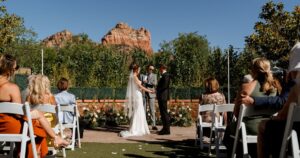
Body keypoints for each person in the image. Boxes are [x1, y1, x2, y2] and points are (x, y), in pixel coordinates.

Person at [0, 54, 68, 157]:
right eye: (16, 68)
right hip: (8, 126)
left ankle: (21, 153)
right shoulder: (12, 88)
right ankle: (54, 140)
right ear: (10, 70)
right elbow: (19, 114)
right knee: (37, 126)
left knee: (35, 122)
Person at [224, 57, 281, 157]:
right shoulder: (277, 88)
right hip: (270, 127)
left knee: (230, 129)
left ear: (253, 70)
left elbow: (237, 113)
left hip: (249, 128)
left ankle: (235, 154)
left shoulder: (246, 87)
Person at [257, 42, 300, 158]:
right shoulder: (278, 84)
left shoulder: (297, 87)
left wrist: (275, 116)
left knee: (264, 125)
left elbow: (284, 114)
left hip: (296, 132)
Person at [26, 74, 69, 156]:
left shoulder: (29, 97)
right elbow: (56, 111)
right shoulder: (50, 97)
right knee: (58, 124)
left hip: (34, 124)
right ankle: (56, 139)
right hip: (49, 124)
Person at [120, 63, 155, 137]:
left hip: (137, 94)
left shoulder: (133, 77)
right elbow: (141, 87)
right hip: (138, 95)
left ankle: (138, 127)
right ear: (136, 70)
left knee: (138, 110)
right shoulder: (134, 77)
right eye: (139, 69)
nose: (139, 70)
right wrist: (150, 91)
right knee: (138, 110)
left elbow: (139, 86)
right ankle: (136, 128)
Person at [157, 64, 171, 135]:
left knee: (164, 113)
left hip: (163, 96)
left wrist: (157, 90)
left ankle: (166, 129)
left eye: (160, 68)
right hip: (161, 96)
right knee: (163, 113)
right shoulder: (164, 75)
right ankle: (165, 128)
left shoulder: (166, 75)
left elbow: (165, 86)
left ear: (162, 68)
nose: (159, 70)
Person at [144, 65, 158, 130]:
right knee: (144, 110)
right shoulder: (145, 75)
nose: (150, 70)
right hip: (144, 94)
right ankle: (144, 124)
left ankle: (153, 125)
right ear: (148, 69)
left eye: (152, 69)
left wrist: (148, 82)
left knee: (152, 110)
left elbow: (155, 83)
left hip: (151, 94)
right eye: (149, 69)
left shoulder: (154, 75)